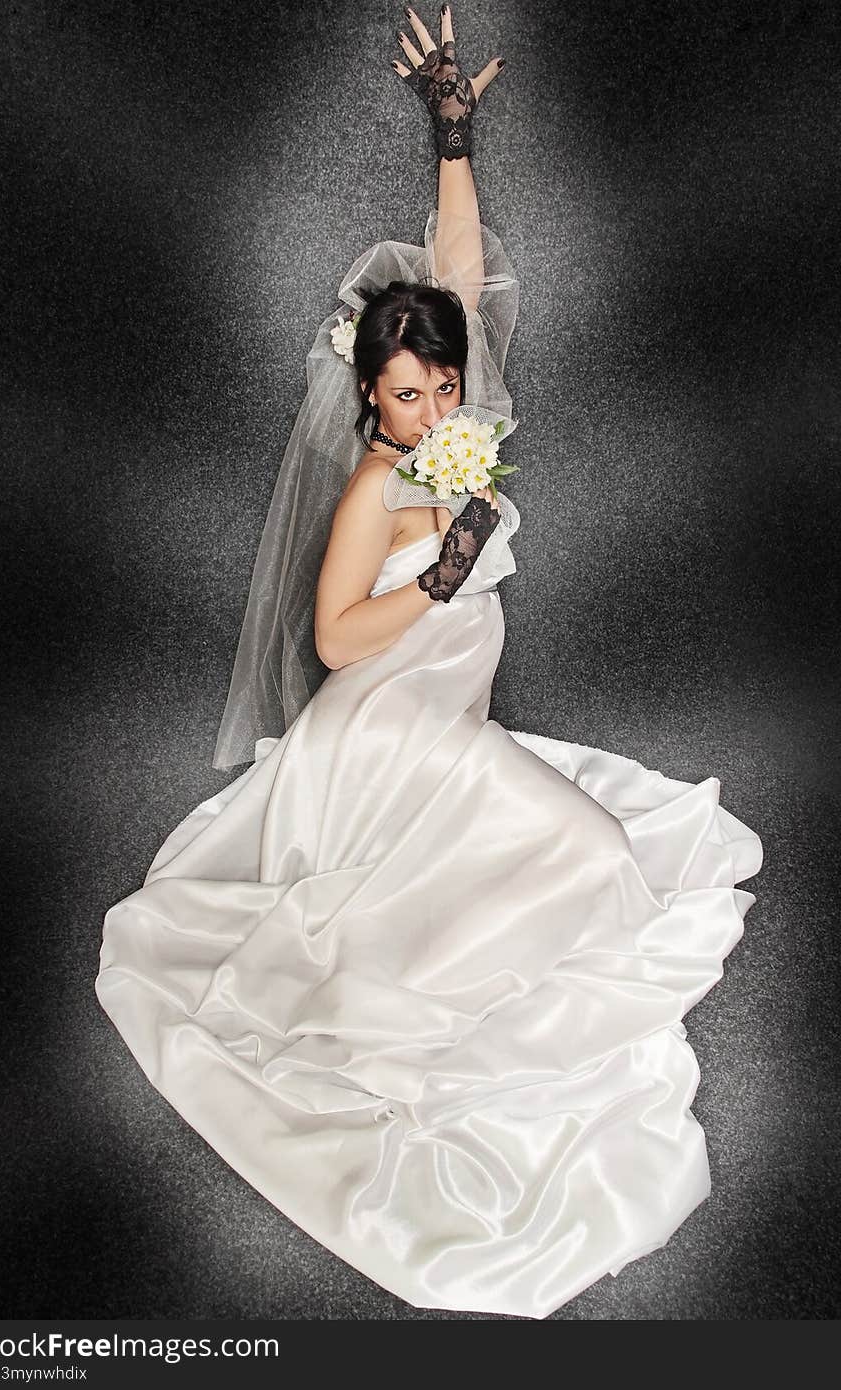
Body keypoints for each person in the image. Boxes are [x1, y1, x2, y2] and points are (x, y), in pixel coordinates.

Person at [95, 5, 763, 1320]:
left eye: (443, 385)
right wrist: (444, 570)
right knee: (590, 872)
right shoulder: (377, 488)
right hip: (396, 740)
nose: (434, 409)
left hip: (452, 723)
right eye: (405, 397)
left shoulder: (461, 420)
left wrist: (453, 130)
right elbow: (340, 637)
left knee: (606, 874)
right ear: (369, 404)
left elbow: (457, 269)